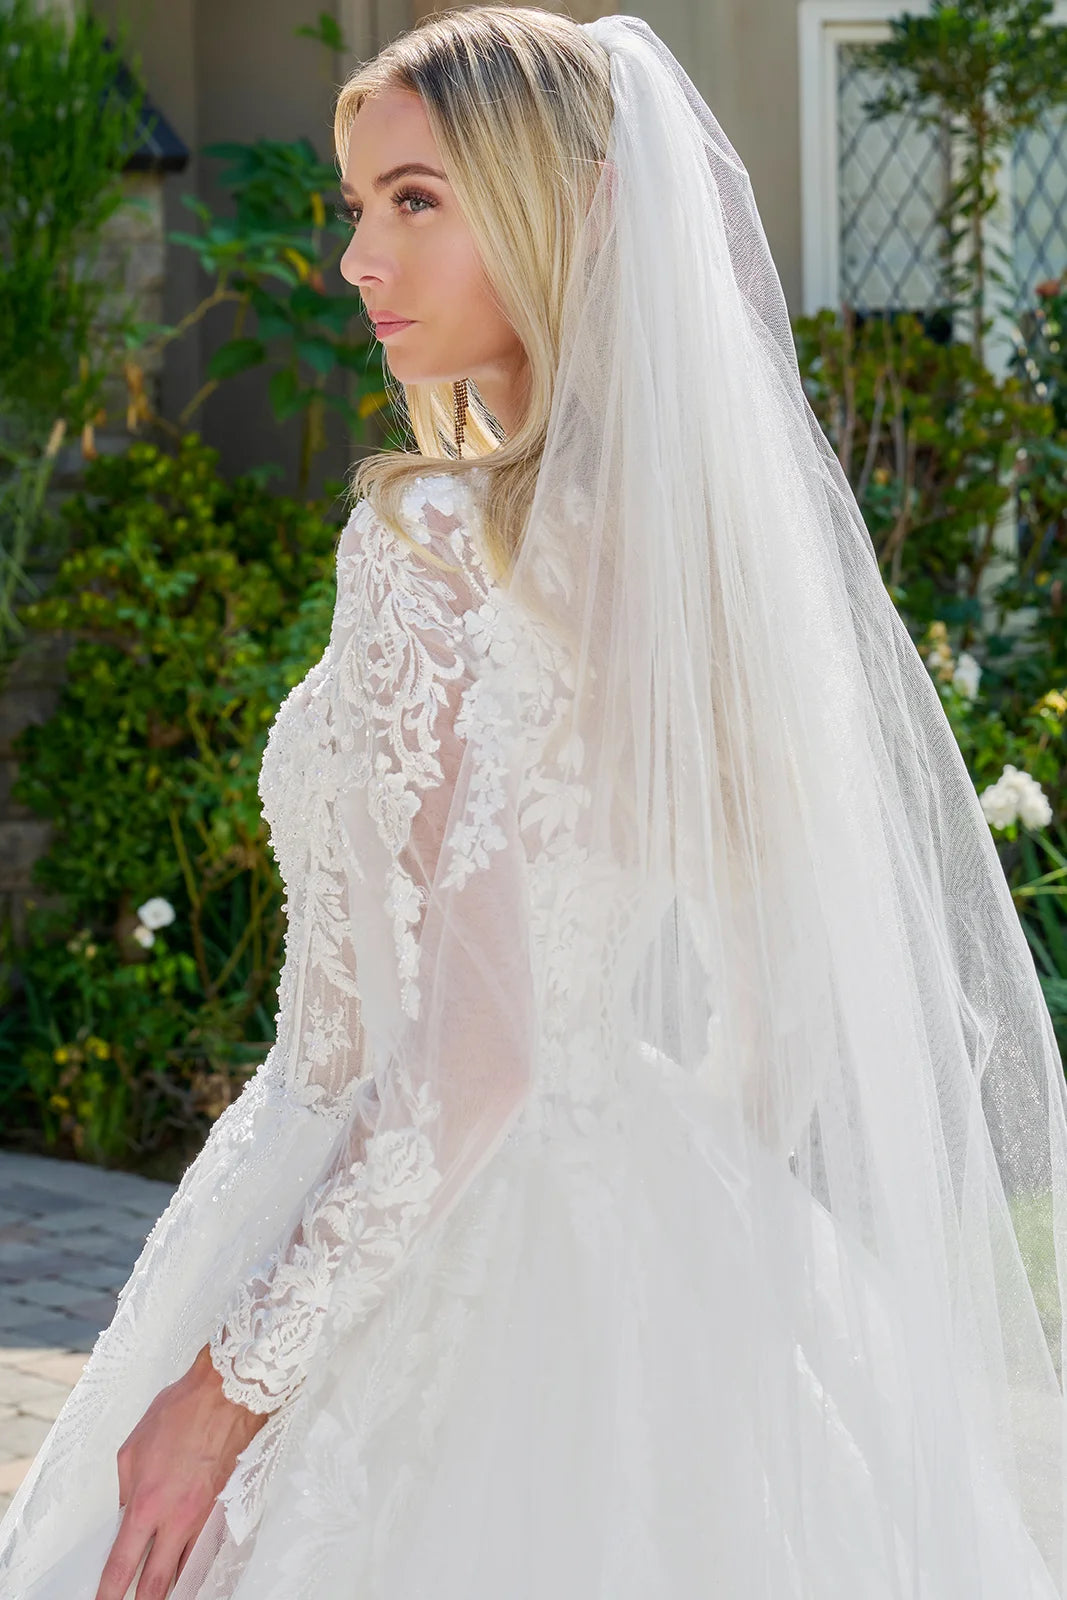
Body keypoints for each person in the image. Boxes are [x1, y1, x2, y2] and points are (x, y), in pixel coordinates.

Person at [3, 6, 1067, 1596]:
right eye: (357, 208)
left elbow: (473, 1055)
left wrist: (225, 1393)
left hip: (424, 1230)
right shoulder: (669, 563)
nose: (362, 257)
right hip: (648, 1210)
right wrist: (668, 1200)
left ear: (555, 205)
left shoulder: (435, 539)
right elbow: (766, 1009)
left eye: (415, 200)